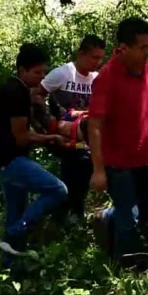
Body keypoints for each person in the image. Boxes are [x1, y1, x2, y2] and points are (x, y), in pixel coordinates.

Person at [88, 18, 148, 269]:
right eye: (142, 47)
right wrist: (98, 170)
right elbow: (94, 125)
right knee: (129, 219)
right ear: (123, 48)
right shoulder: (107, 78)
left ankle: (107, 217)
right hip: (120, 163)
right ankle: (127, 267)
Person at [0, 44, 68, 260]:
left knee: (15, 211)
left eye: (44, 72)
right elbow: (22, 136)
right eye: (37, 73)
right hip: (10, 160)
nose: (41, 78)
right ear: (22, 70)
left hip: (4, 160)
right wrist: (51, 138)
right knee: (58, 190)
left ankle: (9, 269)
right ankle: (15, 233)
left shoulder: (17, 90)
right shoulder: (15, 93)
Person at [42, 35, 106, 222]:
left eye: (101, 58)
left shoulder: (96, 79)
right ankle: (62, 219)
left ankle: (73, 217)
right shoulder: (62, 74)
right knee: (71, 178)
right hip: (65, 137)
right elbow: (36, 97)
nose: (98, 62)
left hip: (87, 138)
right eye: (94, 57)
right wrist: (48, 124)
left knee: (83, 176)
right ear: (81, 54)